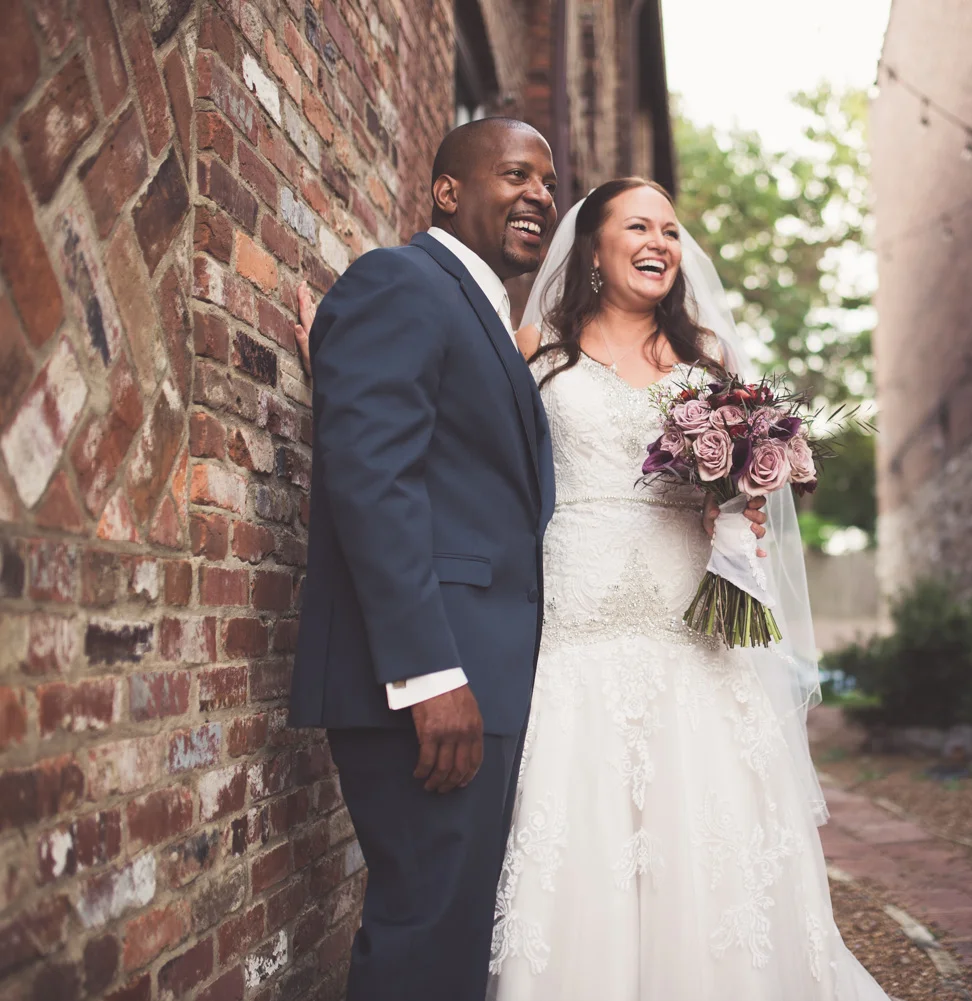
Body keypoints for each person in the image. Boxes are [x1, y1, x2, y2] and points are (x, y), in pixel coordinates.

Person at [493, 178, 890, 999]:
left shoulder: (709, 359)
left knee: (705, 822)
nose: (660, 243)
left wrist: (739, 507)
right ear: (593, 248)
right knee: (581, 822)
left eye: (671, 231)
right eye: (638, 226)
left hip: (690, 619)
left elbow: (751, 496)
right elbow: (478, 451)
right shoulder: (534, 344)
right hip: (579, 619)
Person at [288, 118, 560, 1001]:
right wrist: (428, 672)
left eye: (548, 184)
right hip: (428, 685)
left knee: (452, 935)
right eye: (515, 174)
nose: (540, 196)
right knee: (426, 939)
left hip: (478, 679)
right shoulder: (402, 281)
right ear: (447, 190)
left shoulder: (479, 311)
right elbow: (373, 479)